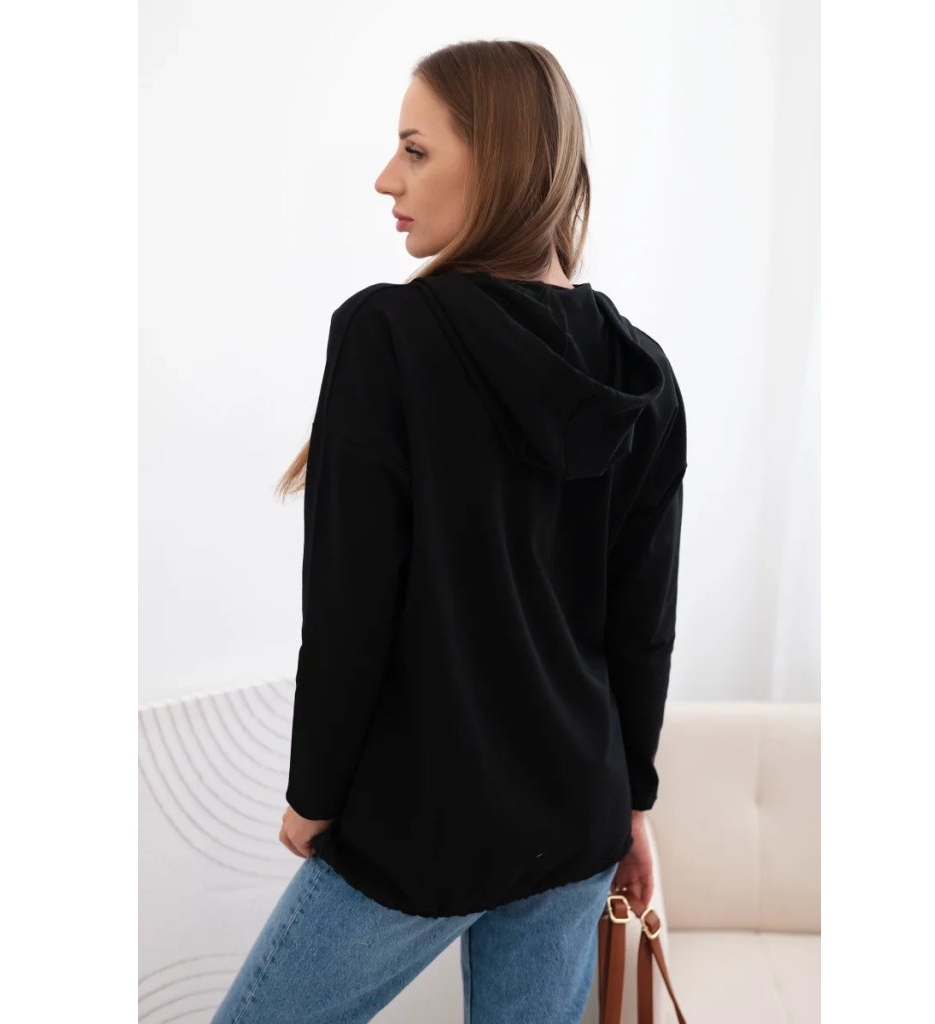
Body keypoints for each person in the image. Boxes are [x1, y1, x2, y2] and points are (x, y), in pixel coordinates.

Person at [211, 38, 687, 1024]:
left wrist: (314, 792)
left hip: (424, 819)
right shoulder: (642, 373)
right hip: (577, 811)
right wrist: (631, 804)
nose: (386, 177)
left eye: (416, 149)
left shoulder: (387, 337)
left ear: (501, 162)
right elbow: (640, 630)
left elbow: (349, 605)